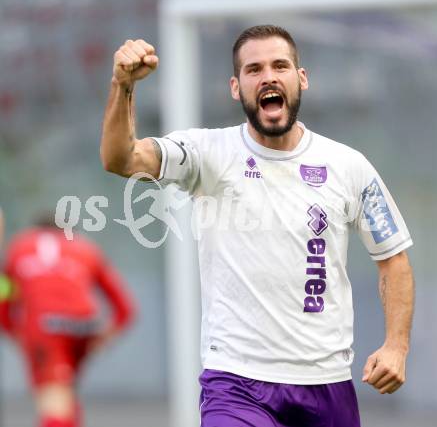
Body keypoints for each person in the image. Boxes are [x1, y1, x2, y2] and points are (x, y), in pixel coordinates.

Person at [100, 25, 414, 427]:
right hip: (236, 384)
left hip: (326, 384)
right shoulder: (206, 154)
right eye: (254, 69)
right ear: (236, 87)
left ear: (301, 78)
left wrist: (396, 346)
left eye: (280, 65)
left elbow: (393, 258)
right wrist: (121, 85)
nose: (268, 76)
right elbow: (121, 159)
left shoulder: (348, 166)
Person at [0, 215, 136, 427]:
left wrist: (15, 333)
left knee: (54, 401)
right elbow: (125, 309)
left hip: (45, 328)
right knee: (65, 395)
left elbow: (4, 297)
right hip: (85, 326)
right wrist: (105, 337)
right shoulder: (86, 248)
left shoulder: (19, 248)